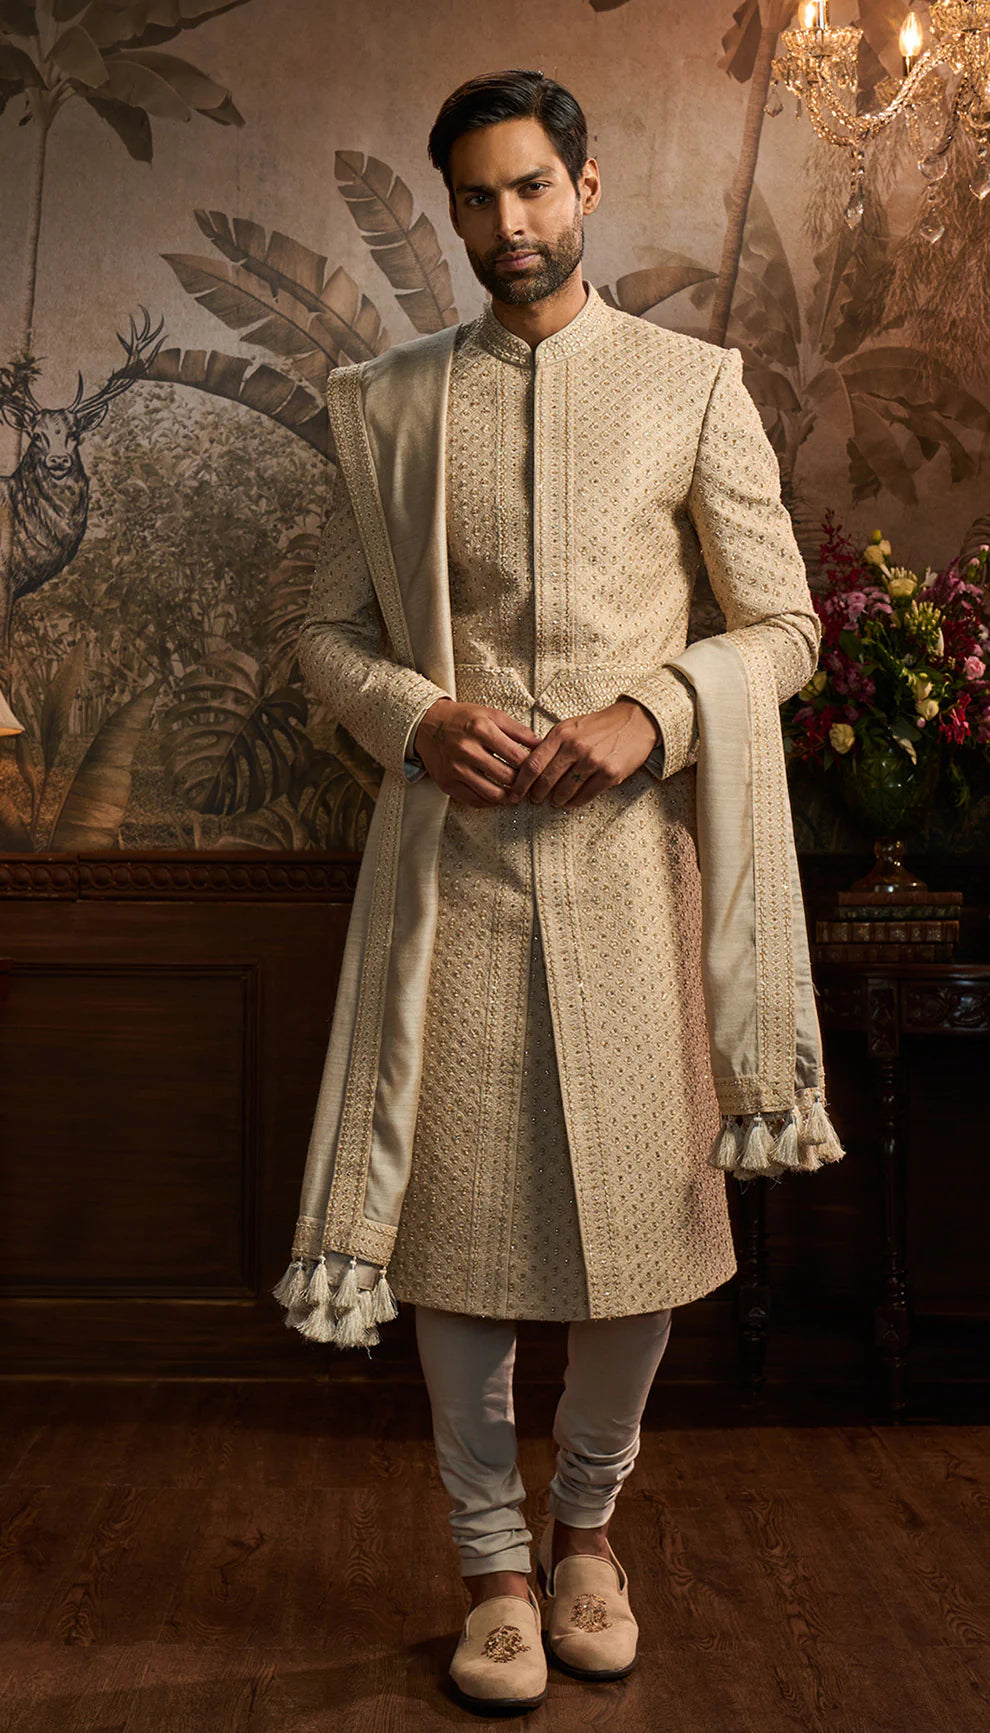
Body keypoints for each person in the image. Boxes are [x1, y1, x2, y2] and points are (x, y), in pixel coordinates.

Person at [290, 69, 823, 1716]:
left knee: (643, 1238)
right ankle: (492, 1565)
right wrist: (414, 716)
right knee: (451, 1235)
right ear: (449, 208)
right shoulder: (378, 405)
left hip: (631, 876)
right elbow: (323, 635)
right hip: (448, 871)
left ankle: (585, 1529)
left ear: (586, 188)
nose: (505, 226)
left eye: (531, 190)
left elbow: (786, 629)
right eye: (475, 197)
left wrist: (648, 715)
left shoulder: (690, 388)